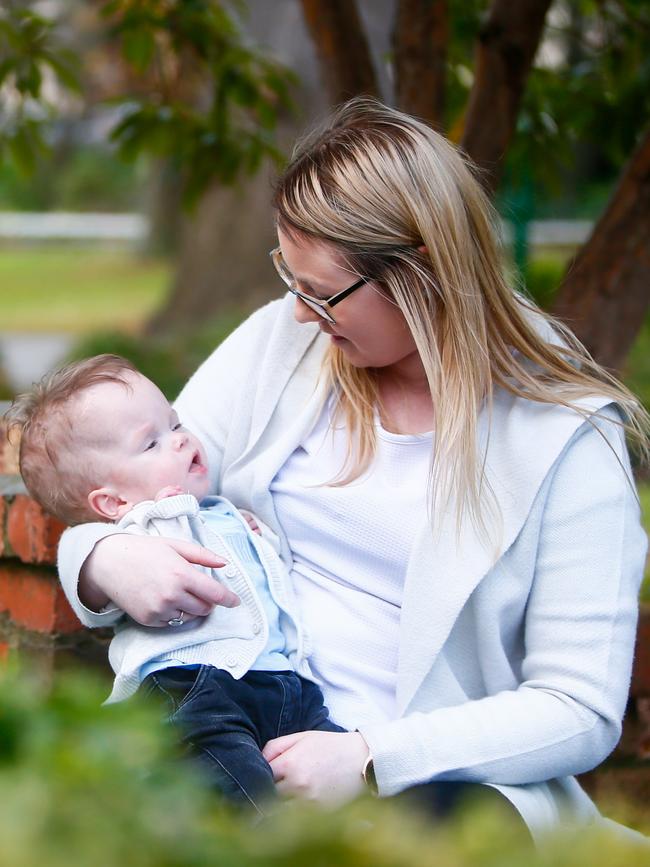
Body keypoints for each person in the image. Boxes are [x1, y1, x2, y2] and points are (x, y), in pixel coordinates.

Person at [56, 98, 648, 842]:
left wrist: (371, 757)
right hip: (239, 734)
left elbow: (580, 707)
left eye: (321, 290)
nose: (300, 312)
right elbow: (142, 476)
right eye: (289, 278)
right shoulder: (284, 346)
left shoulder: (567, 439)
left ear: (422, 269)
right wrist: (103, 556)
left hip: (435, 783)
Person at [4, 354, 343, 814]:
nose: (181, 440)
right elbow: (96, 568)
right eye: (151, 444)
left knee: (336, 788)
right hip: (193, 689)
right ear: (113, 501)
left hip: (284, 685)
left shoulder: (222, 511)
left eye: (176, 423)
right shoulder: (147, 524)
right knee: (242, 801)